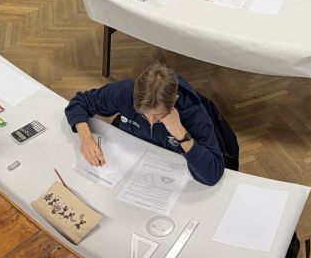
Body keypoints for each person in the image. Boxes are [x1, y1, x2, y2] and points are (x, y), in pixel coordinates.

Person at [66, 62, 224, 187]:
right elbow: (80, 102)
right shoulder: (126, 91)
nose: (150, 121)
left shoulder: (193, 113)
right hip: (126, 164)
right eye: (144, 113)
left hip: (164, 175)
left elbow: (213, 174)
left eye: (159, 115)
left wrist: (181, 134)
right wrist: (85, 138)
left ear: (174, 102)